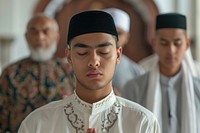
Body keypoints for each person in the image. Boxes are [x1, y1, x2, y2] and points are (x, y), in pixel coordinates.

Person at [18, 10, 160, 133]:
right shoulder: (37, 124)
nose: (94, 61)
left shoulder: (142, 123)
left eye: (103, 52)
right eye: (82, 52)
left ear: (117, 55)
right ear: (69, 57)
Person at [122, 13, 200, 133]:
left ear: (187, 44)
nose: (171, 50)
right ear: (154, 44)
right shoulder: (134, 88)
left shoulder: (198, 88)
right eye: (164, 43)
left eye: (177, 43)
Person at [0, 14, 75, 132]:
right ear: (26, 36)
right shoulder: (11, 73)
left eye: (46, 31)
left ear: (57, 36)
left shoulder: (71, 71)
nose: (40, 37)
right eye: (34, 31)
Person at [103, 8, 145, 94]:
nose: (114, 38)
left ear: (127, 37)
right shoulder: (88, 65)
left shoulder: (137, 72)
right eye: (110, 33)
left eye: (119, 33)